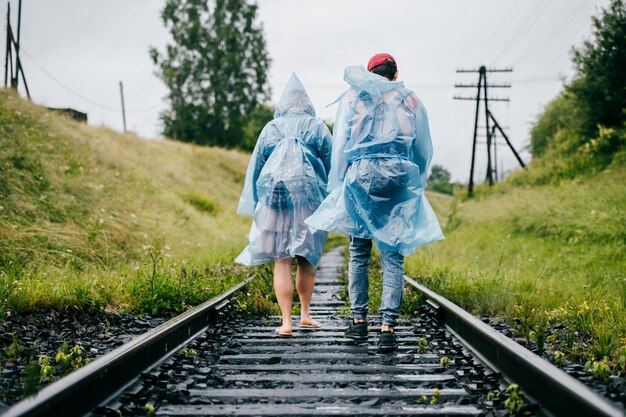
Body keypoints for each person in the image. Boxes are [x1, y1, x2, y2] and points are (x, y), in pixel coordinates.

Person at [306, 53, 444, 351]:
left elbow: (341, 143)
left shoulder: (355, 97)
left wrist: (340, 182)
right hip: (397, 175)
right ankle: (388, 327)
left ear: (370, 73)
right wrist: (416, 182)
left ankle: (358, 323)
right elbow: (422, 147)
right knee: (393, 252)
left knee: (359, 249)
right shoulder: (410, 100)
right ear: (395, 74)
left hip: (361, 176)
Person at [236, 73, 332, 337]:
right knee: (306, 259)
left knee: (282, 260)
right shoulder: (317, 127)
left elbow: (256, 169)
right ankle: (306, 315)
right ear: (307, 103)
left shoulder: (271, 128)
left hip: (275, 199)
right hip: (310, 201)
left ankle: (286, 322)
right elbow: (331, 167)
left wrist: (257, 203)